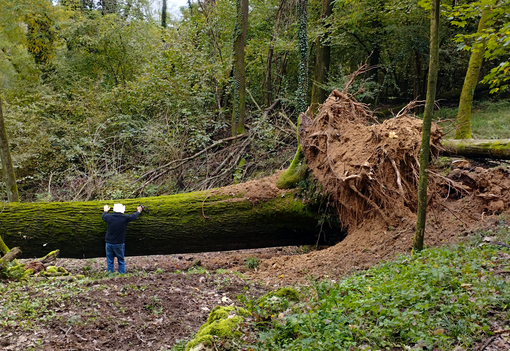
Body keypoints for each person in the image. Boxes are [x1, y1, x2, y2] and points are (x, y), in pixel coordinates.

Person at [102, 203, 143, 274]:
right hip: (119, 243)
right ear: (122, 210)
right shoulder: (124, 218)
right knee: (120, 260)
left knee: (109, 261)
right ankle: (121, 275)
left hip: (109, 243)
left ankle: (110, 275)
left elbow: (103, 216)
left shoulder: (109, 217)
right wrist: (139, 211)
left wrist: (105, 210)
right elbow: (134, 216)